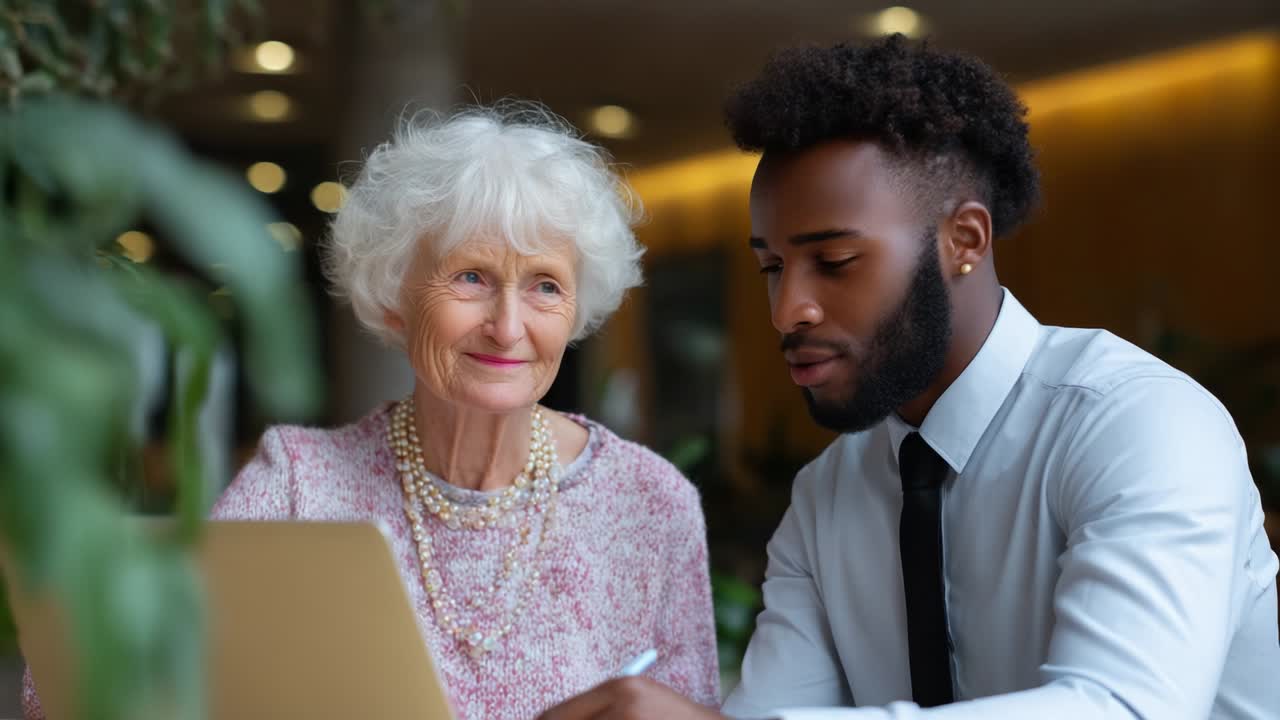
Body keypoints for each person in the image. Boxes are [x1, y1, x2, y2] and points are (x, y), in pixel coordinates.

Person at [538, 34, 1280, 720]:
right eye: (772, 266)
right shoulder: (828, 497)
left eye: (833, 262)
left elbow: (1122, 709)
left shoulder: (1140, 426)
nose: (787, 309)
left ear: (964, 239)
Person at [21, 103, 719, 720]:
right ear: (394, 293)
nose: (508, 327)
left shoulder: (651, 505)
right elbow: (80, 691)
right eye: (471, 278)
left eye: (544, 287)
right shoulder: (301, 484)